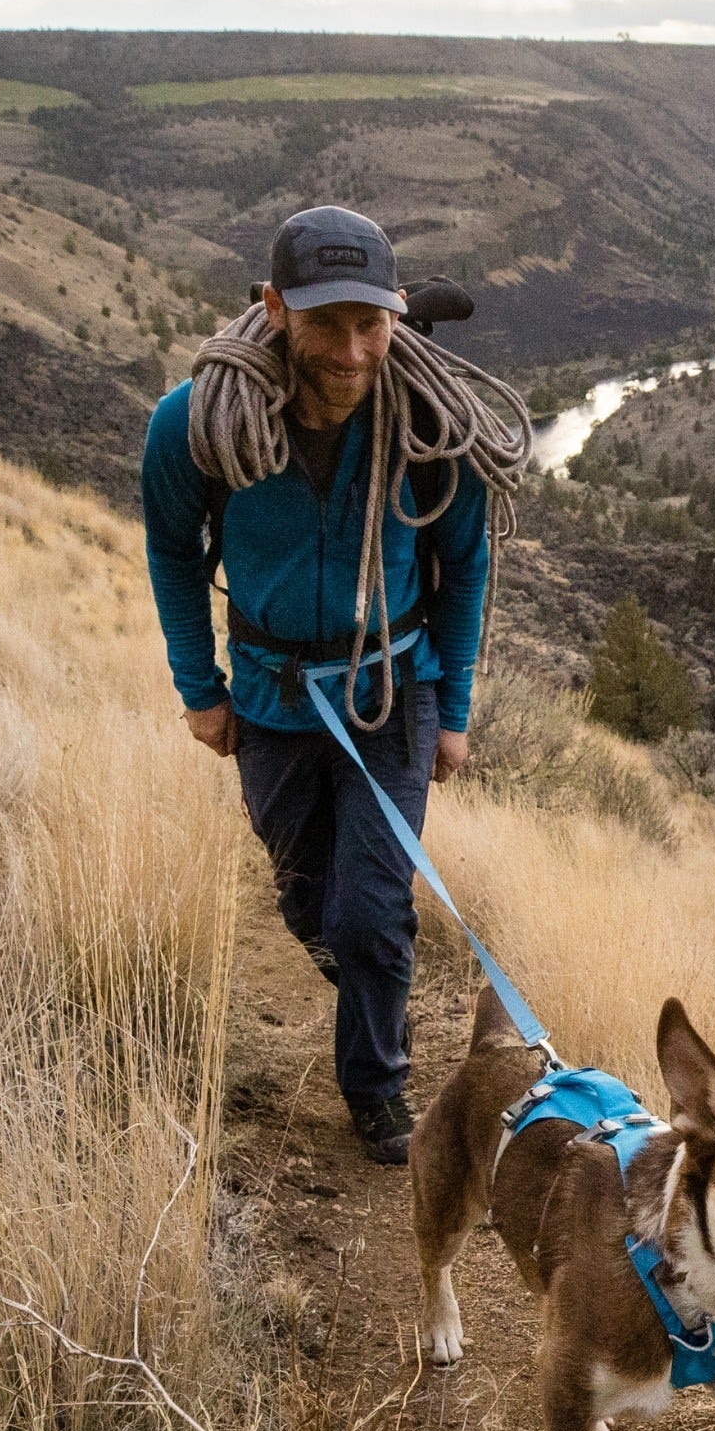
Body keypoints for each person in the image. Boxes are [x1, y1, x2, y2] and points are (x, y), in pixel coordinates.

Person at [142, 206, 489, 1164]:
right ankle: (376, 993)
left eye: (370, 323)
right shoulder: (194, 424)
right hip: (272, 694)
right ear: (273, 308)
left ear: (398, 311)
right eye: (325, 322)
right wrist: (199, 687)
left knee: (370, 910)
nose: (350, 350)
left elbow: (466, 566)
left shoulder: (431, 422)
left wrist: (454, 710)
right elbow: (172, 553)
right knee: (307, 902)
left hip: (393, 690)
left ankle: (377, 1089)